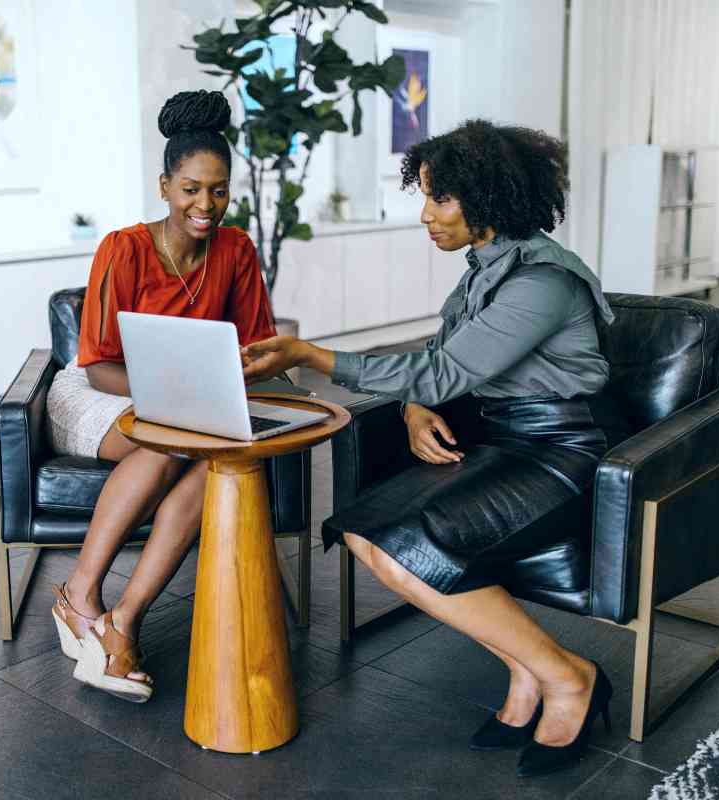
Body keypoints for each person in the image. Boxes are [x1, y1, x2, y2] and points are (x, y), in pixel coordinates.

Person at [241, 119, 631, 777]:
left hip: (561, 453)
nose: (425, 215)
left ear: (487, 198)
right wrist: (418, 403)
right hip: (501, 439)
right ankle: (527, 670)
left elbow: (446, 368)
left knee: (409, 552)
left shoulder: (541, 282)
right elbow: (442, 359)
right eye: (423, 195)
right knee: (363, 532)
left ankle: (569, 678)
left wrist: (314, 355)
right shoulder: (485, 268)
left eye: (439, 198)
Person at [46, 90, 275, 703]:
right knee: (169, 444)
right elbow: (95, 364)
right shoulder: (123, 248)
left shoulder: (236, 251)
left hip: (176, 405)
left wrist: (240, 376)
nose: (207, 204)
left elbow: (257, 346)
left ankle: (121, 620)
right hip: (96, 392)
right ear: (165, 185)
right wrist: (178, 400)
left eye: (219, 190)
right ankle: (80, 596)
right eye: (192, 189)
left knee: (215, 465)